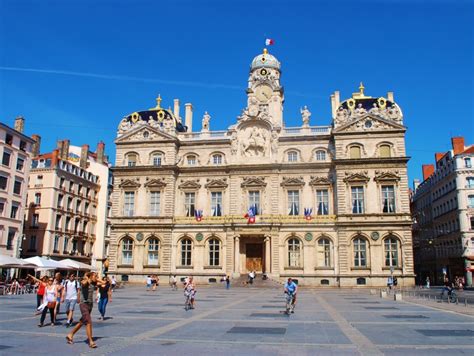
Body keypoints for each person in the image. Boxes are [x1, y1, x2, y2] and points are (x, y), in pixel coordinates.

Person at [66, 272, 107, 349]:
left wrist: (96, 278)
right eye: (95, 276)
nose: (97, 277)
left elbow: (104, 282)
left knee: (83, 321)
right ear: (90, 276)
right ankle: (90, 341)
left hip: (90, 305)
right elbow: (84, 283)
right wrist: (88, 277)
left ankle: (70, 335)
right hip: (83, 304)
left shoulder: (93, 283)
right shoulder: (84, 281)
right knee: (88, 322)